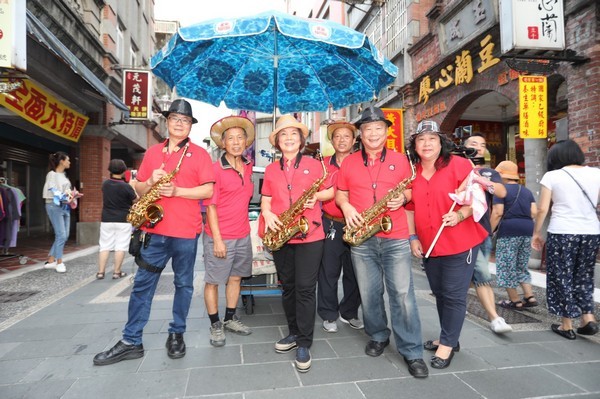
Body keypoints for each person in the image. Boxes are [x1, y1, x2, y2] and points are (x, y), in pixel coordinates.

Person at [94, 99, 214, 365]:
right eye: (175, 119)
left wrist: (178, 191)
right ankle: (131, 340)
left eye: (185, 120)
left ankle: (177, 334)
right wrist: (148, 182)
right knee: (142, 286)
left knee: (183, 284)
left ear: (190, 126)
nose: (179, 123)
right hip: (154, 230)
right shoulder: (152, 153)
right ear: (167, 122)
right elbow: (137, 187)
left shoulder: (201, 155)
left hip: (185, 232)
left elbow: (208, 190)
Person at [336, 106, 428, 379]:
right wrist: (348, 208)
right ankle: (377, 335)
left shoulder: (401, 160)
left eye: (378, 128)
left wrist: (404, 197)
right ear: (360, 135)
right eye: (367, 129)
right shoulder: (349, 163)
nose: (373, 133)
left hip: (396, 235)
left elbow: (411, 189)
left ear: (387, 132)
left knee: (402, 295)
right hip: (362, 238)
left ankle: (412, 351)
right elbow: (341, 194)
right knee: (369, 293)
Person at [405, 120, 488, 370]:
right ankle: (449, 337)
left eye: (432, 138)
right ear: (415, 145)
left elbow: (475, 197)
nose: (427, 143)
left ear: (441, 143)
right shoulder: (412, 172)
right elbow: (410, 209)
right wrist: (412, 238)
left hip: (458, 241)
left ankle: (447, 345)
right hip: (429, 244)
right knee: (440, 293)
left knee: (453, 295)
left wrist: (460, 215)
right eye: (421, 139)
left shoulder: (459, 164)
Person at [260, 114, 332, 373]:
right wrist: (267, 213)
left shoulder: (315, 164)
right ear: (277, 141)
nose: (288, 138)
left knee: (304, 288)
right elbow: (266, 198)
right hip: (281, 233)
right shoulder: (270, 169)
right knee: (288, 287)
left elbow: (331, 191)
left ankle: (304, 341)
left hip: (310, 234)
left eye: (293, 134)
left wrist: (316, 197)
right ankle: (292, 332)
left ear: (301, 140)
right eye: (283, 134)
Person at [532, 139, 600, 339]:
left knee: (562, 275)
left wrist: (537, 233)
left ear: (556, 157)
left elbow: (543, 208)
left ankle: (566, 325)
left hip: (562, 231)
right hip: (590, 232)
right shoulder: (596, 173)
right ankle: (588, 318)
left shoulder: (552, 176)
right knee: (584, 275)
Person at [204, 116, 255, 347]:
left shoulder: (248, 166)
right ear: (223, 143)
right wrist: (217, 240)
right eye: (230, 138)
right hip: (220, 235)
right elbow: (211, 207)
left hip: (243, 234)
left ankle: (230, 318)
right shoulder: (215, 170)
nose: (236, 142)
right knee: (214, 281)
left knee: (235, 278)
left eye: (240, 138)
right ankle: (215, 325)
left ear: (246, 142)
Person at [462, 134, 512, 334]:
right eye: (474, 144)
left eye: (483, 145)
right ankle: (457, 308)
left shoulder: (488, 173)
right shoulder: (452, 167)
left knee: (481, 275)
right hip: (453, 229)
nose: (479, 148)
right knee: (457, 277)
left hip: (478, 231)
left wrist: (481, 179)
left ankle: (494, 317)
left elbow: (501, 193)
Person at [318, 121, 363, 333]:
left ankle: (350, 312)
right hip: (330, 223)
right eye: (337, 136)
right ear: (332, 141)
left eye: (347, 136)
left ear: (354, 140)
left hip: (359, 224)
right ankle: (328, 313)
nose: (342, 140)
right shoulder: (322, 164)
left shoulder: (362, 163)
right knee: (328, 270)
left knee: (355, 271)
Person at [491, 161, 539, 309]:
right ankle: (529, 296)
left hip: (509, 230)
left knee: (506, 266)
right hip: (526, 230)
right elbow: (534, 212)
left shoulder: (501, 190)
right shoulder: (526, 191)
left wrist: (488, 231)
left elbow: (498, 212)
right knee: (521, 265)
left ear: (501, 175)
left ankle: (515, 300)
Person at [96, 159, 138, 280]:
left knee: (104, 246)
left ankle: (100, 272)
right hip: (123, 219)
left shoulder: (105, 184)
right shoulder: (126, 186)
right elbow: (136, 200)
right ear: (124, 171)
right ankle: (116, 272)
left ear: (110, 170)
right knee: (120, 246)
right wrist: (133, 186)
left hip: (106, 218)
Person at [42, 151, 79, 273]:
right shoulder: (52, 174)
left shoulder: (64, 175)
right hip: (54, 205)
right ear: (62, 161)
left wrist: (73, 195)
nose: (69, 162)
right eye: (68, 160)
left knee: (64, 235)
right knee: (61, 235)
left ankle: (51, 260)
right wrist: (68, 196)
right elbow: (54, 191)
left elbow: (64, 193)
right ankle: (59, 262)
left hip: (64, 206)